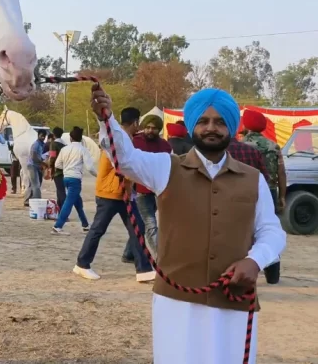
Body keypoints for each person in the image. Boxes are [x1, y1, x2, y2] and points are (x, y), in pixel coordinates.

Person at [91, 86, 286, 364]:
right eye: (204, 121)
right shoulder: (166, 168)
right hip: (176, 303)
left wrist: (254, 261)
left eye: (220, 122)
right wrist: (106, 119)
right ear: (193, 125)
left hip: (233, 300)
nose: (211, 128)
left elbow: (272, 232)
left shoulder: (253, 179)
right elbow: (126, 158)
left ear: (231, 127)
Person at [73, 107, 155, 282]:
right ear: (136, 122)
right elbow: (124, 168)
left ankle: (144, 269)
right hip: (111, 193)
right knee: (98, 229)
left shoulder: (123, 138)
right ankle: (82, 264)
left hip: (122, 193)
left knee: (137, 229)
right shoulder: (119, 140)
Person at [241, 109, 286, 285]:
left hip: (244, 192)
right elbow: (281, 172)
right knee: (268, 232)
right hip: (270, 192)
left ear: (246, 125)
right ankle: (273, 276)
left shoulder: (240, 146)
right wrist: (282, 196)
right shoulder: (273, 146)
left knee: (244, 233)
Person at [131, 113, 171, 253]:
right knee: (150, 224)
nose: (149, 130)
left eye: (153, 128)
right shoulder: (135, 142)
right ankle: (160, 257)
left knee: (144, 224)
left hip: (159, 191)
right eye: (147, 127)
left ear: (159, 129)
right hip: (141, 191)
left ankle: (129, 252)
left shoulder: (165, 146)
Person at [51, 126, 96, 235]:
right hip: (75, 179)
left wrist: (67, 168)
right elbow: (90, 167)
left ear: (70, 138)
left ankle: (85, 225)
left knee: (77, 202)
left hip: (65, 178)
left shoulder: (64, 149)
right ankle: (58, 226)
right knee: (69, 202)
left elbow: (57, 164)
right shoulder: (83, 150)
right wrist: (98, 176)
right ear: (81, 139)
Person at [23, 129, 47, 206]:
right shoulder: (36, 144)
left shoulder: (42, 144)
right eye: (41, 135)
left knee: (32, 184)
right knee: (36, 184)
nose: (43, 137)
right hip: (32, 166)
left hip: (37, 166)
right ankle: (37, 202)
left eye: (44, 136)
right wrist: (42, 163)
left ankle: (28, 200)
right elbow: (34, 157)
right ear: (38, 135)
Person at [46, 127, 67, 208]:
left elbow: (52, 157)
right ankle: (60, 210)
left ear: (53, 135)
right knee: (60, 190)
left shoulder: (53, 144)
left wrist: (49, 167)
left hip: (57, 171)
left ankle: (64, 211)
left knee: (61, 192)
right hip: (64, 170)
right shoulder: (64, 145)